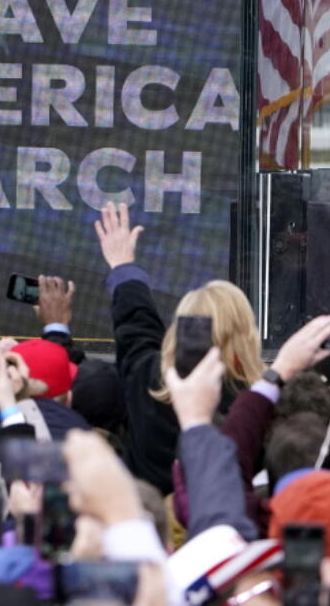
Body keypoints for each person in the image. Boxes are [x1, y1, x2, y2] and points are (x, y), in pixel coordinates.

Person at [94, 201, 263, 493]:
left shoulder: (148, 380)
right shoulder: (255, 406)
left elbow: (136, 326)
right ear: (246, 335)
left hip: (153, 526)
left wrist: (123, 266)